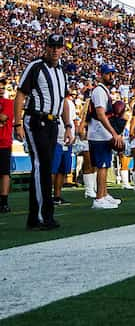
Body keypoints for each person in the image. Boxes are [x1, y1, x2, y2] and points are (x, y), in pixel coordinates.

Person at [13, 33, 74, 229]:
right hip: (36, 119)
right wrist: (17, 123)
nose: (55, 50)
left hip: (53, 122)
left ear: (63, 49)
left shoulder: (62, 71)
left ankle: (35, 217)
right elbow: (21, 94)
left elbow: (64, 101)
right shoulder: (36, 66)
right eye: (52, 46)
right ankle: (43, 216)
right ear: (45, 47)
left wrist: (68, 126)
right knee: (42, 166)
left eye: (58, 46)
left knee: (43, 167)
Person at [85, 63, 125, 209]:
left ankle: (104, 193)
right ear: (101, 74)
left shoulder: (103, 91)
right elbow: (101, 114)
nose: (112, 76)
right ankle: (99, 198)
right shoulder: (100, 91)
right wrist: (114, 132)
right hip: (99, 134)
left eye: (113, 74)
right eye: (109, 74)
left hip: (102, 133)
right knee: (102, 166)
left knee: (105, 165)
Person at [51, 90, 79, 206]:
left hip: (67, 140)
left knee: (63, 170)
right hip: (56, 139)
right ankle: (47, 195)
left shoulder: (70, 104)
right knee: (52, 169)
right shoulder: (54, 102)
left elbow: (73, 121)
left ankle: (57, 196)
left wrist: (74, 134)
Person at [0, 83, 14, 213]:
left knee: (4, 172)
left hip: (4, 142)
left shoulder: (8, 102)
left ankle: (4, 201)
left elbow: (3, 117)